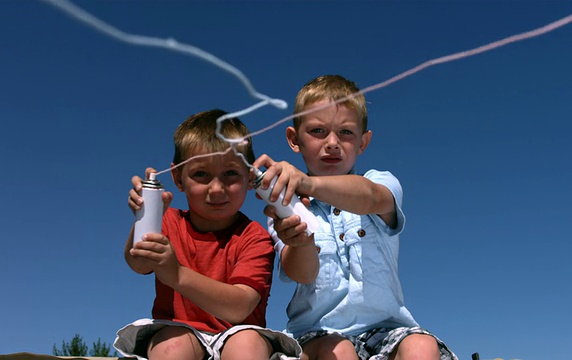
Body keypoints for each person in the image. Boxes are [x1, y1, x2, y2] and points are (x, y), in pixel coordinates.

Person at [252, 75, 458, 360]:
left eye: (346, 133)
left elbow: (371, 197)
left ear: (363, 142)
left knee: (422, 346)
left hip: (388, 330)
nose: (333, 143)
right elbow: (302, 273)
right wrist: (300, 241)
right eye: (318, 131)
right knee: (340, 352)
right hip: (318, 334)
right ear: (293, 139)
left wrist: (307, 183)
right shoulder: (286, 206)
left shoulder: (380, 181)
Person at [113, 109, 301, 360]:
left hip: (238, 331)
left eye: (231, 174)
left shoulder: (254, 236)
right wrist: (144, 218)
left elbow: (240, 307)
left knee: (246, 345)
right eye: (201, 174)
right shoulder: (168, 221)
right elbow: (137, 263)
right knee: (172, 347)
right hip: (178, 329)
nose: (216, 189)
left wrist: (177, 274)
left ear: (249, 178)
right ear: (178, 178)